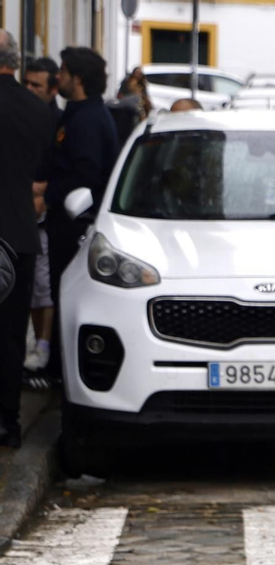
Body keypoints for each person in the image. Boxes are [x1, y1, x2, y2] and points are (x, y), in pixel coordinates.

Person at [43, 47, 119, 387]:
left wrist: (46, 195)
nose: (58, 76)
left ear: (79, 79)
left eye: (63, 71)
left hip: (74, 225)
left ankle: (61, 374)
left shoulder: (87, 119)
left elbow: (86, 175)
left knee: (68, 297)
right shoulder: (77, 113)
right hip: (64, 221)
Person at [0, 31, 57, 448]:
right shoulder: (37, 112)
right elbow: (42, 178)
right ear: (16, 63)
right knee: (9, 333)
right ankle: (6, 422)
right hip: (18, 235)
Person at [22, 57, 59, 379]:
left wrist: (44, 191)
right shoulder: (17, 114)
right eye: (28, 83)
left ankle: (44, 346)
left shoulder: (59, 122)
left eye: (37, 85)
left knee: (44, 284)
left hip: (46, 215)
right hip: (20, 212)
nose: (31, 90)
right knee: (32, 286)